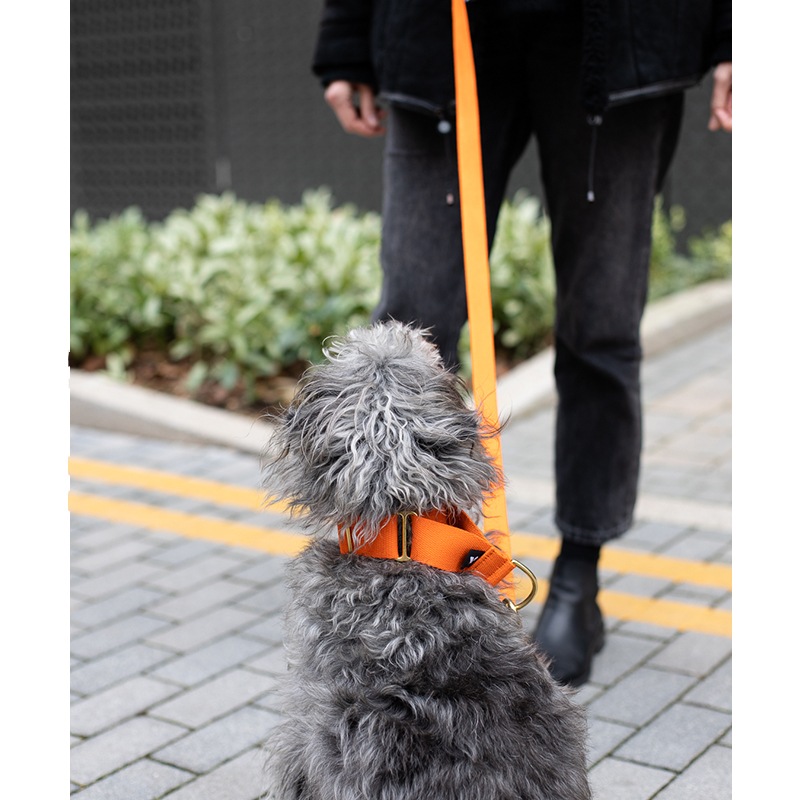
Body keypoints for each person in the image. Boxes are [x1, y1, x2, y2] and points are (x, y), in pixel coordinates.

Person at [311, 0, 732, 687]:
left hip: (619, 38)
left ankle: (578, 577)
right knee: (411, 326)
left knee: (600, 329)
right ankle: (409, 566)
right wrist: (346, 38)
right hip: (441, 33)